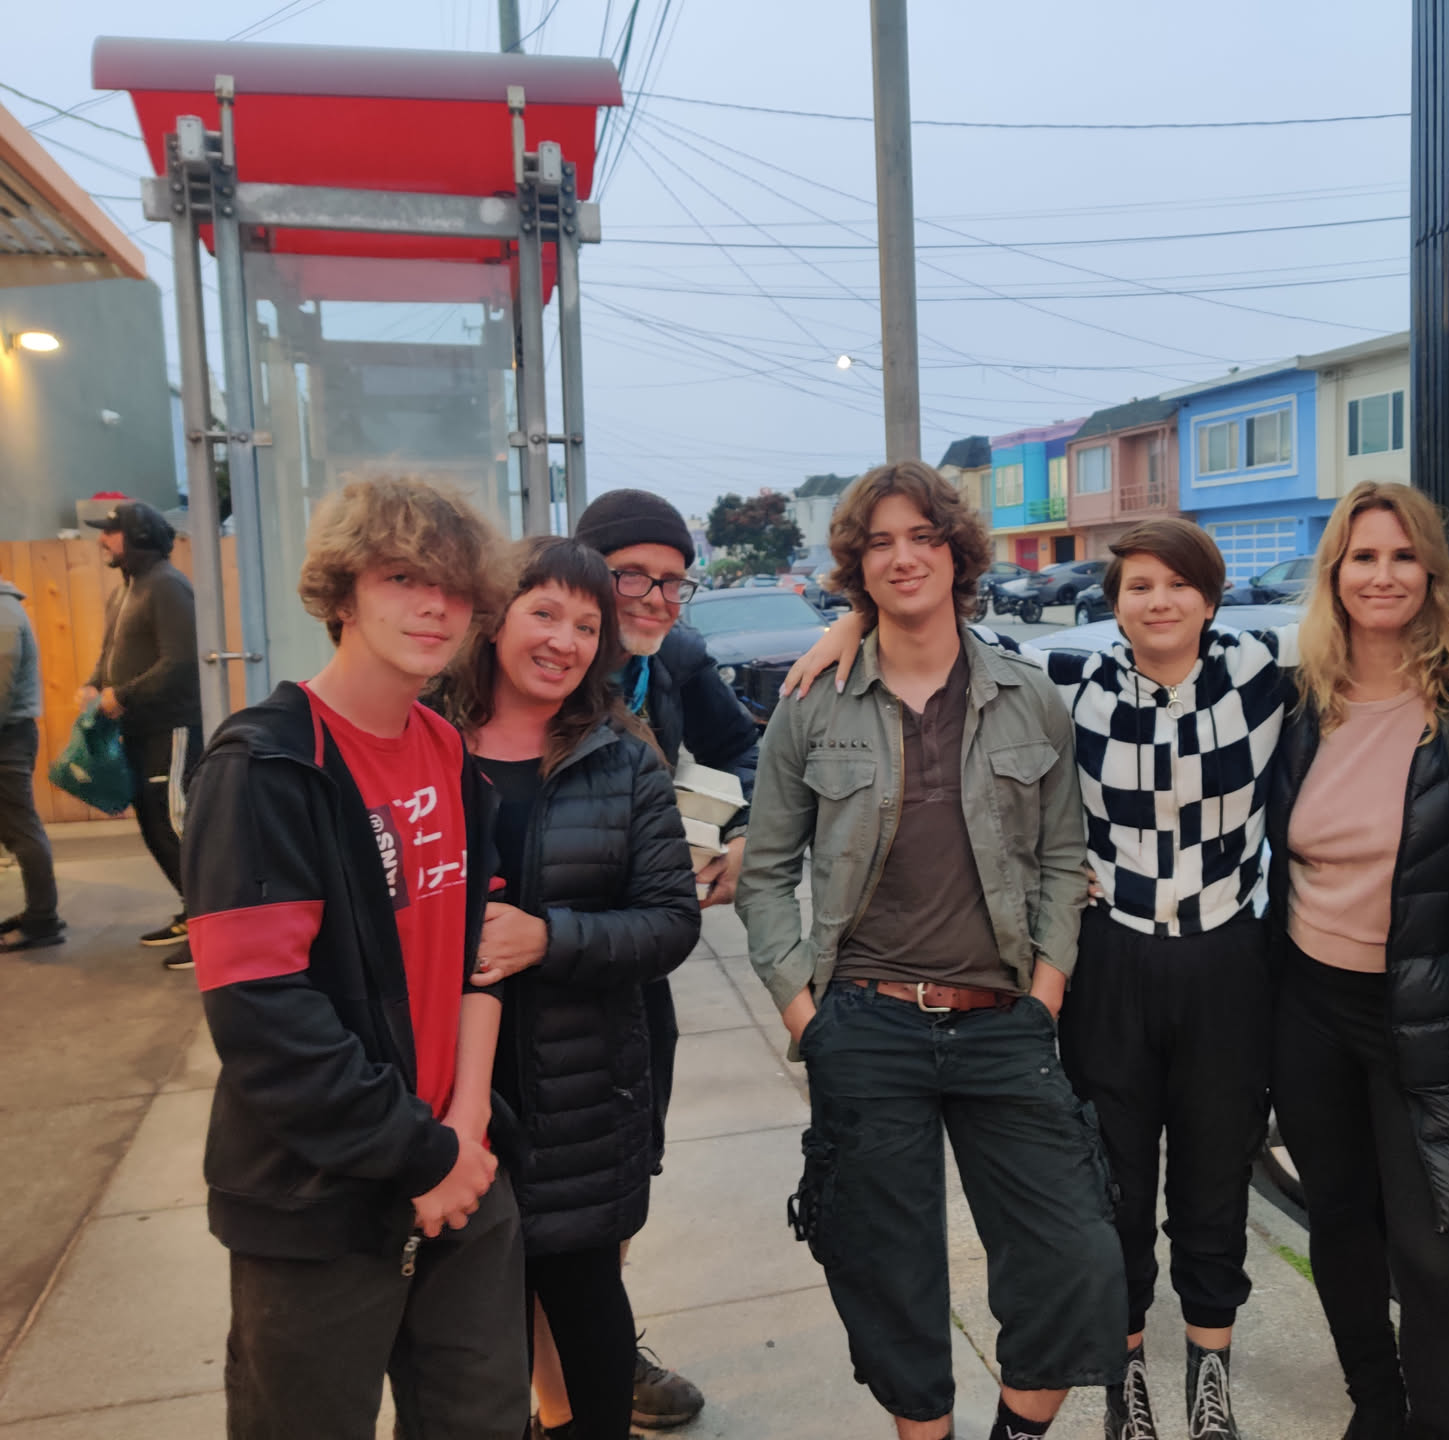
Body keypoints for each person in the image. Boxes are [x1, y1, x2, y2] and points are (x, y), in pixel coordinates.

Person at [784, 516, 1449, 1440]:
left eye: (1180, 584)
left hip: (1226, 962)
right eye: (1139, 586)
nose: (1160, 601)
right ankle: (1125, 1385)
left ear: (1210, 597)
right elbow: (948, 636)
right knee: (1115, 1185)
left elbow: (1385, 616)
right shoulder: (1070, 678)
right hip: (1112, 960)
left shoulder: (1263, 670)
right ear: (1115, 602)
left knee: (1215, 1181)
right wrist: (853, 621)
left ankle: (1210, 1383)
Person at [736, 459, 1127, 1440]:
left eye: (922, 536)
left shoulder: (1028, 696)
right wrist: (805, 1016)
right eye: (879, 542)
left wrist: (1046, 993)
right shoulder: (813, 703)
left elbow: (1063, 857)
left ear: (958, 554)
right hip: (864, 1024)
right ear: (856, 568)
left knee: (1077, 1259)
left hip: (1003, 1023)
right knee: (888, 1274)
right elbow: (765, 871)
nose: (902, 557)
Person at [181, 477, 528, 1440]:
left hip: (463, 1169)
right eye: (402, 577)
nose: (433, 607)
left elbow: (482, 949)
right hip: (319, 1197)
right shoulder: (266, 767)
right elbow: (264, 1018)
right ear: (342, 592)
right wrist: (419, 1154)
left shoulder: (446, 750)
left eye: (454, 587)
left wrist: (464, 1128)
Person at [1262, 483, 1449, 1440]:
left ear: (1431, 573)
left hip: (1426, 1010)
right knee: (1340, 1226)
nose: (1381, 576)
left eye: (1402, 557)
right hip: (1309, 1008)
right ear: (1334, 573)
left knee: (1432, 1256)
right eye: (1362, 557)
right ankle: (1375, 1412)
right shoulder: (1296, 698)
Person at [438, 536, 701, 1440]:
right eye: (544, 613)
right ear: (494, 618)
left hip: (580, 1091)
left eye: (587, 626)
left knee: (587, 1304)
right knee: (469, 1336)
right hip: (441, 1087)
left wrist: (548, 939)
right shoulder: (423, 743)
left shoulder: (622, 761)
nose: (564, 641)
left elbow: (670, 921)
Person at [573, 486, 753, 1430]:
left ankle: (602, 1342)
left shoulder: (674, 660)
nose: (656, 597)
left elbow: (746, 750)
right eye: (631, 575)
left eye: (674, 580)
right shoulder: (535, 663)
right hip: (541, 973)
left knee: (623, 1179)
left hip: (639, 967)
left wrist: (735, 836)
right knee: (540, 1194)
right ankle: (545, 1378)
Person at [81, 499, 200, 965]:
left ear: (137, 538)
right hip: (136, 729)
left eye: (109, 533)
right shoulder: (126, 591)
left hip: (172, 727)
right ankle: (193, 913)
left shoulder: (168, 586)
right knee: (153, 825)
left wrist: (124, 694)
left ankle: (213, 928)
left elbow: (182, 662)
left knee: (177, 824)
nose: (101, 541)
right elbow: (109, 652)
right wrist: (94, 684)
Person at [0, 573, 62, 952]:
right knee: (16, 828)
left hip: (7, 739)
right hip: (10, 735)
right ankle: (40, 913)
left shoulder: (3, 615)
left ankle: (43, 920)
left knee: (21, 829)